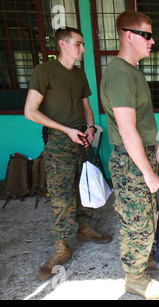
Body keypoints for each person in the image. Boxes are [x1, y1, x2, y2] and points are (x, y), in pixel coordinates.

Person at [24, 27, 111, 281]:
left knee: (84, 186)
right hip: (59, 144)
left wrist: (91, 127)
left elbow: (86, 107)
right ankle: (61, 247)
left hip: (81, 140)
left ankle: (85, 227)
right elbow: (30, 111)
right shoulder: (45, 71)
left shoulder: (80, 74)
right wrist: (66, 130)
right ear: (62, 44)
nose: (83, 49)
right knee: (62, 194)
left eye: (83, 44)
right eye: (78, 44)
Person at [100, 10, 159, 300]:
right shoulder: (118, 74)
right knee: (136, 223)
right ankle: (135, 278)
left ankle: (141, 262)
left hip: (141, 157)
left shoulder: (133, 72)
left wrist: (157, 149)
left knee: (147, 217)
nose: (152, 41)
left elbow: (142, 122)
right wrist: (147, 171)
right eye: (147, 35)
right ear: (129, 36)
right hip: (131, 163)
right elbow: (127, 131)